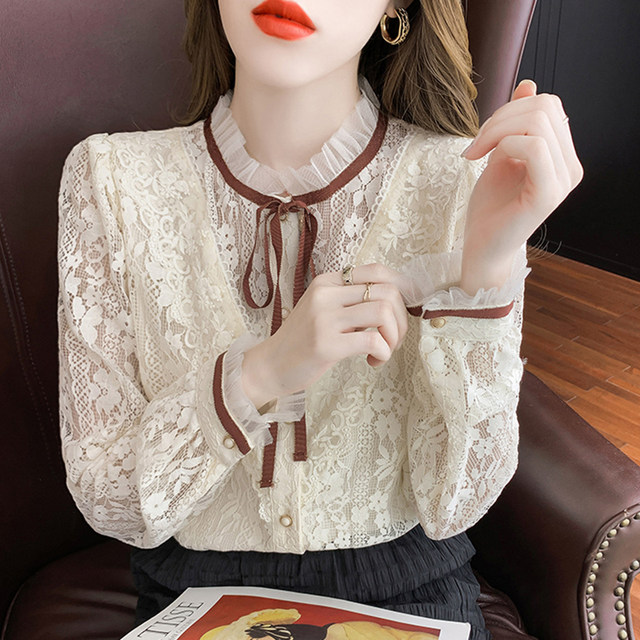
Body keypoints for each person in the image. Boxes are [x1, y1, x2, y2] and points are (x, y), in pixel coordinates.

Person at [57, 1, 583, 638]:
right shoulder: (110, 180)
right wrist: (264, 371)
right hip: (189, 593)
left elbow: (456, 504)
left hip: (409, 594)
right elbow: (109, 500)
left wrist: (490, 267)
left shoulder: (466, 177)